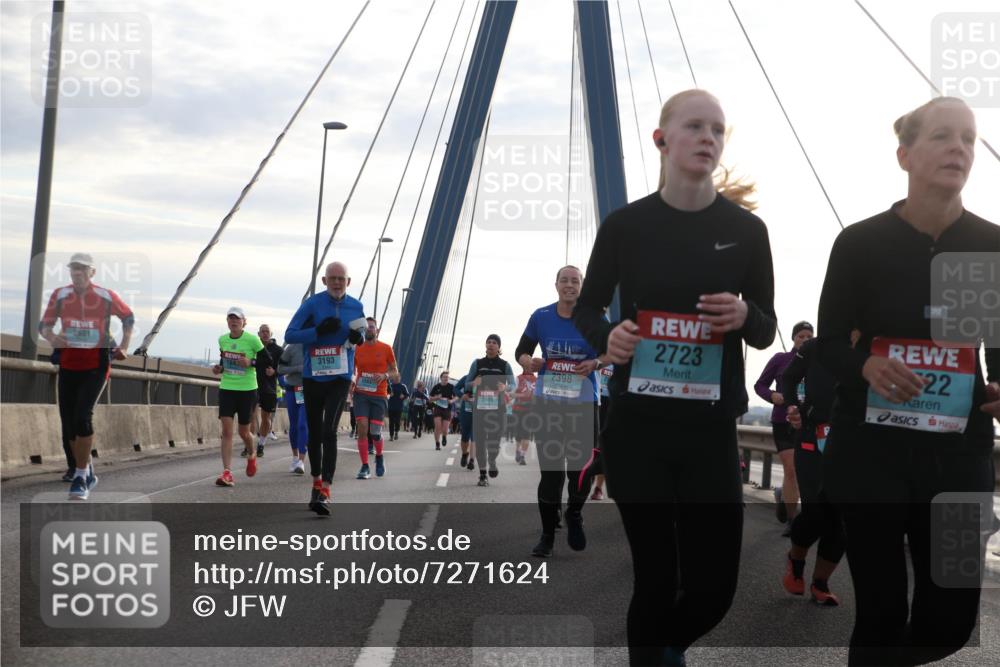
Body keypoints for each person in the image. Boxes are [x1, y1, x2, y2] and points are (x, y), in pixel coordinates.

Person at [573, 89, 776, 666]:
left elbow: (767, 328)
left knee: (715, 590)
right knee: (656, 580)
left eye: (718, 129)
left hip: (709, 431)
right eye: (694, 126)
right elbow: (588, 308)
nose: (708, 137)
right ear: (662, 140)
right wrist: (607, 337)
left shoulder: (747, 231)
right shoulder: (626, 225)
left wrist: (744, 315)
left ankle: (667, 646)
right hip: (638, 428)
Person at [816, 97, 1000, 665]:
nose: (959, 148)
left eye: (968, 138)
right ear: (905, 155)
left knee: (950, 624)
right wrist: (865, 365)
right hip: (871, 450)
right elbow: (827, 344)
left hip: (959, 454)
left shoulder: (991, 244)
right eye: (943, 136)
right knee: (881, 612)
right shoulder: (860, 243)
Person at [516, 265, 607, 558]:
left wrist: (596, 363)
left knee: (581, 470)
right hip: (549, 403)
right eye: (564, 280)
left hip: (584, 403)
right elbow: (522, 350)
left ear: (581, 286)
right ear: (556, 285)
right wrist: (528, 361)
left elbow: (610, 352)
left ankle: (574, 512)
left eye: (575, 281)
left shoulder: (595, 318)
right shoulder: (541, 316)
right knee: (551, 472)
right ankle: (547, 536)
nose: (569, 285)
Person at [39, 252, 135, 499]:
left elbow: (128, 317)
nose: (78, 273)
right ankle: (86, 469)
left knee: (83, 417)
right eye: (74, 269)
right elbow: (44, 326)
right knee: (70, 424)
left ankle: (81, 476)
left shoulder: (104, 296)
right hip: (69, 365)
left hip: (96, 365)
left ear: (92, 272)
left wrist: (124, 346)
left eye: (82, 269)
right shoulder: (60, 295)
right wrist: (53, 338)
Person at [285, 261, 365, 515]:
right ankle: (316, 482)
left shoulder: (356, 306)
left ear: (348, 281)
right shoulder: (312, 304)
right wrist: (317, 331)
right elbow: (290, 335)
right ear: (324, 281)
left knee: (329, 430)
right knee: (315, 432)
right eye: (333, 278)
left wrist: (358, 339)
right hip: (313, 376)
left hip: (340, 376)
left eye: (341, 278)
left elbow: (360, 335)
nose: (337, 283)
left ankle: (326, 489)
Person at [779, 332, 847, 606]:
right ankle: (796, 561)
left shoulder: (873, 347)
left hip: (852, 439)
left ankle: (820, 583)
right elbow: (788, 378)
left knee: (840, 517)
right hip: (812, 434)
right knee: (816, 510)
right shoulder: (814, 347)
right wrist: (794, 406)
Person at [754, 321, 814, 533]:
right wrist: (772, 395)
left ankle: (784, 497)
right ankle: (792, 521)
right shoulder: (780, 359)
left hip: (809, 423)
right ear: (793, 338)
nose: (805, 340)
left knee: (809, 473)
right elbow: (760, 385)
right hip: (783, 422)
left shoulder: (818, 362)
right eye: (801, 336)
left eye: (809, 337)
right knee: (791, 470)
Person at [211, 307, 265, 487]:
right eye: (230, 318)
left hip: (247, 390)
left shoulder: (252, 339)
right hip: (227, 388)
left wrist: (251, 362)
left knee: (244, 432)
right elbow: (224, 361)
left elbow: (267, 360)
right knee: (226, 431)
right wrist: (219, 368)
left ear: (244, 322)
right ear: (227, 321)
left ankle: (252, 453)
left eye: (237, 319)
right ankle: (227, 473)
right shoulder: (222, 339)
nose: (233, 321)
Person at [351, 317, 399, 479]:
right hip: (361, 394)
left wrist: (385, 375)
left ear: (377, 330)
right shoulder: (357, 348)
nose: (369, 329)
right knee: (362, 428)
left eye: (372, 327)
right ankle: (365, 466)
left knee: (375, 432)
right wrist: (351, 381)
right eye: (366, 327)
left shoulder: (386, 348)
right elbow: (352, 369)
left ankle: (379, 456)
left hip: (379, 395)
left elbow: (395, 373)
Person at [466, 335, 516, 487]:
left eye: (494, 342)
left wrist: (505, 387)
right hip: (480, 408)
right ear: (485, 345)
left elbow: (513, 386)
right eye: (489, 342)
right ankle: (483, 475)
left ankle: (492, 459)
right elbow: (467, 384)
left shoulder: (505, 365)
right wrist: (473, 383)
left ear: (499, 347)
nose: (491, 344)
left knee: (494, 442)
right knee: (480, 441)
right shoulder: (477, 363)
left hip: (498, 409)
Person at [252, 323, 283, 458]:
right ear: (258, 334)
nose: (264, 333)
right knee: (251, 416)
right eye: (262, 331)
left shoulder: (278, 350)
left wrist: (274, 372)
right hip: (251, 386)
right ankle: (249, 446)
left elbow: (284, 368)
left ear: (271, 334)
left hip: (268, 388)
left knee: (265, 418)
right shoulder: (253, 347)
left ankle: (261, 444)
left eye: (267, 331)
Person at [278, 342, 308, 474]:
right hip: (292, 390)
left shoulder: (314, 346)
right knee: (294, 425)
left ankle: (301, 461)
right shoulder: (290, 348)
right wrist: (297, 369)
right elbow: (280, 369)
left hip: (307, 391)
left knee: (302, 425)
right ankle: (295, 457)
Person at [511, 365, 537, 465]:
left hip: (530, 410)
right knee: (518, 434)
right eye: (526, 366)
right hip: (517, 409)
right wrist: (522, 395)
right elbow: (512, 394)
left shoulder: (537, 380)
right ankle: (518, 450)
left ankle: (522, 456)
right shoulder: (518, 378)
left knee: (526, 434)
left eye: (530, 366)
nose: (528, 368)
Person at [429, 371, 456, 451]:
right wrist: (437, 398)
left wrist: (451, 401)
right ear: (441, 378)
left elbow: (457, 397)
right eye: (444, 377)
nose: (446, 378)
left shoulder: (451, 387)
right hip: (438, 408)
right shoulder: (436, 386)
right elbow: (430, 399)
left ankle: (444, 436)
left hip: (447, 409)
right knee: (437, 427)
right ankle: (437, 443)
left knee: (445, 429)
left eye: (447, 377)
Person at [454, 374, 476, 469]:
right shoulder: (467, 378)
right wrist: (462, 395)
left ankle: (472, 460)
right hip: (466, 411)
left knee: (475, 436)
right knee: (465, 436)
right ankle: (464, 454)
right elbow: (455, 388)